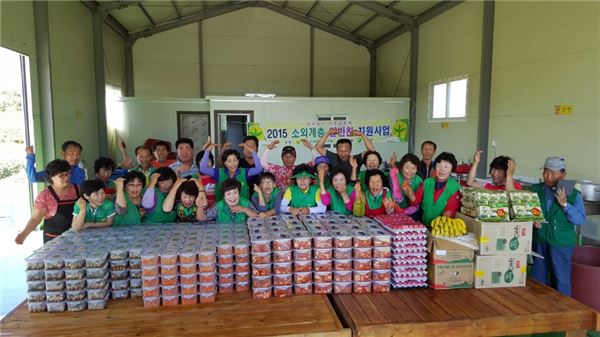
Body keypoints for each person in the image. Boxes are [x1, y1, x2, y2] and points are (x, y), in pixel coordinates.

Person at [531, 157, 585, 296]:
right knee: (537, 278)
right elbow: (528, 210)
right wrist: (532, 220)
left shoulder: (573, 194)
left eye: (553, 173)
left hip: (561, 242)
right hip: (541, 239)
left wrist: (565, 204)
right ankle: (538, 308)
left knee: (561, 279)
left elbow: (579, 219)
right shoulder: (536, 190)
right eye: (545, 172)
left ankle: (564, 309)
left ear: (563, 174)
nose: (548, 177)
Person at [15, 159, 80, 244]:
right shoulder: (45, 196)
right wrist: (24, 234)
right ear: (51, 177)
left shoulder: (77, 189)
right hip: (54, 241)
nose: (66, 177)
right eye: (61, 176)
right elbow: (35, 219)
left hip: (77, 237)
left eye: (67, 174)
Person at [411, 152, 461, 226]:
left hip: (443, 228)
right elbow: (415, 201)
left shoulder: (455, 187)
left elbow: (449, 211)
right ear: (435, 167)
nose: (442, 170)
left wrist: (438, 227)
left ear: (452, 170)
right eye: (439, 166)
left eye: (446, 167)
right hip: (424, 226)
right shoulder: (427, 182)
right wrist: (408, 190)